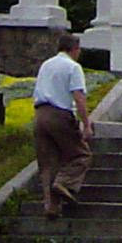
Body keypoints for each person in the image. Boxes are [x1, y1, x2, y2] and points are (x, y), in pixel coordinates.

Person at [32, 31, 93, 219]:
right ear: (74, 49)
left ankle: (51, 207)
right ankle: (64, 183)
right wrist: (86, 124)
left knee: (48, 162)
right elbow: (79, 97)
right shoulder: (72, 67)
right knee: (81, 155)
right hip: (59, 115)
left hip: (39, 115)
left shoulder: (46, 65)